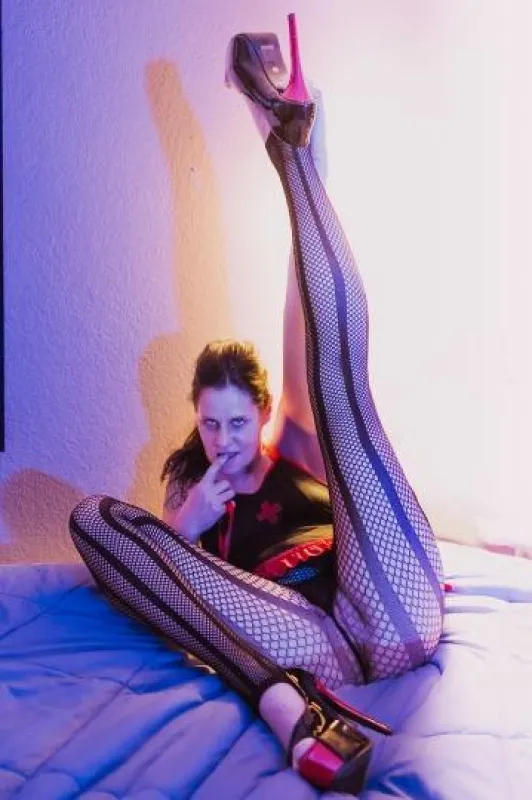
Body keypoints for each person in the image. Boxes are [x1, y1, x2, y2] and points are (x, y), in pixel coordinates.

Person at [70, 14, 444, 794]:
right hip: (297, 638)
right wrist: (189, 525)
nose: (224, 438)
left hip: (379, 602)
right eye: (210, 423)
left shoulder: (293, 444)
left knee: (342, 381)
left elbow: (302, 315)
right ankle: (286, 702)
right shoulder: (190, 488)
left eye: (239, 421)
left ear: (264, 414)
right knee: (92, 519)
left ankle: (292, 151)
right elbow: (168, 578)